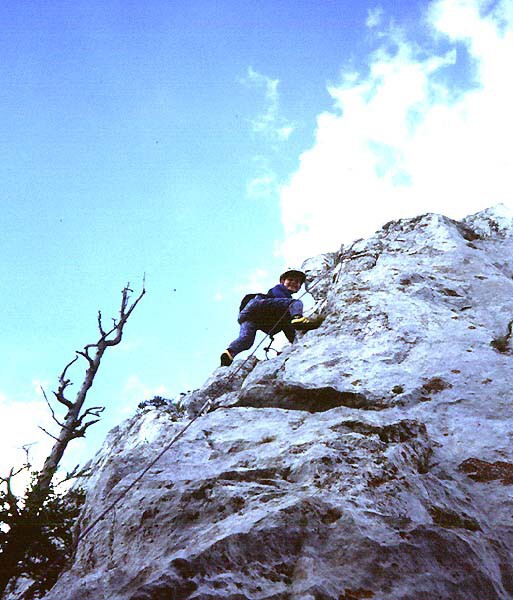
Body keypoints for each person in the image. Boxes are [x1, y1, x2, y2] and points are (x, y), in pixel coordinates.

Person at [220, 268, 321, 367]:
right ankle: (298, 317)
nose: (294, 283)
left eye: (297, 282)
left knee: (246, 340)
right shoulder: (279, 289)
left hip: (249, 316)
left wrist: (294, 342)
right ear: (282, 281)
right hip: (258, 306)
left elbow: (286, 325)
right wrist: (296, 319)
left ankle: (229, 353)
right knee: (295, 303)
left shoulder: (280, 305)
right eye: (290, 280)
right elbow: (285, 306)